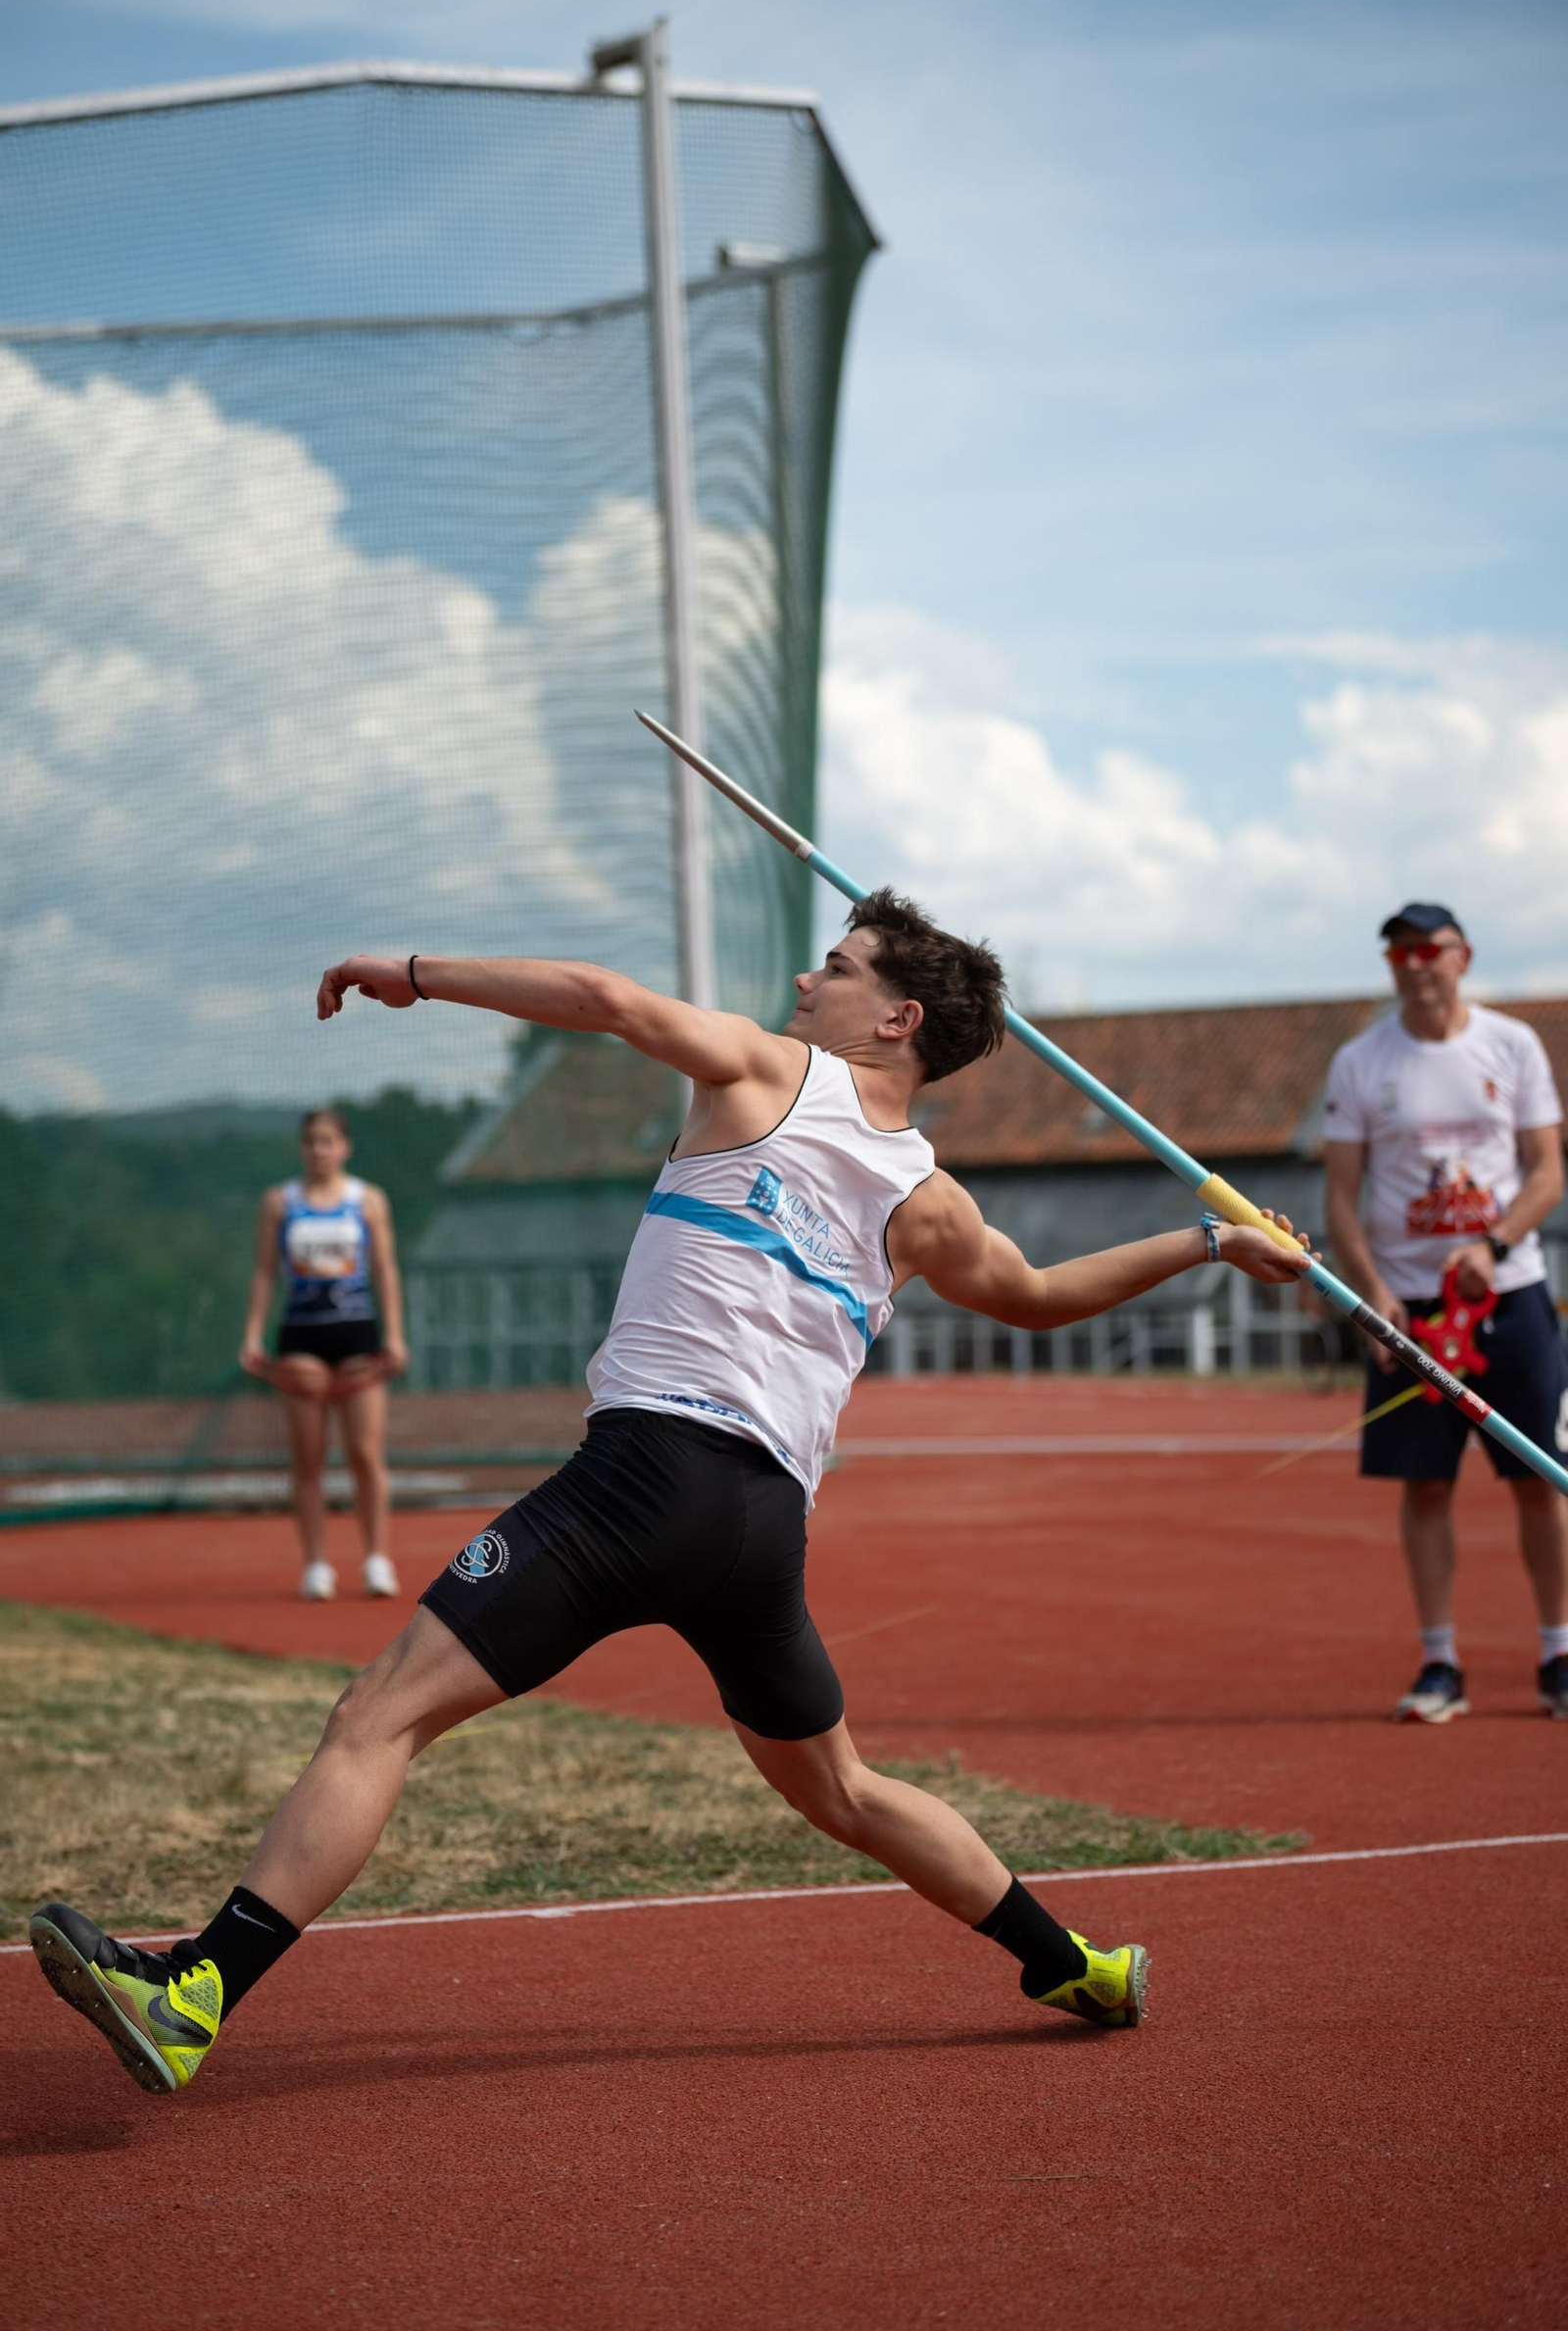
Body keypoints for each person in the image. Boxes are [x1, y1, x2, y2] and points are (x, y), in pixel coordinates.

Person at [30, 897, 1310, 2095]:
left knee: (375, 1719)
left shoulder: (763, 1072)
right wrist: (1209, 1239)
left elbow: (603, 994)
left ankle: (196, 1992)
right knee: (847, 1793)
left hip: (644, 1479)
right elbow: (1035, 1294)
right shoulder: (933, 1202)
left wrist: (414, 974)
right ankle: (1070, 1961)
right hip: (761, 1532)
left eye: (841, 965)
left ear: (896, 1018)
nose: (810, 977)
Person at [1321, 903, 1568, 1724]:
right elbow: (1341, 1200)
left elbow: (1545, 1174)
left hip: (1509, 1292)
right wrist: (1371, 1298)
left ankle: (1557, 1652)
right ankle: (1439, 1662)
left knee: (1539, 1479)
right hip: (1408, 1308)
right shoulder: (1361, 1062)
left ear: (1462, 956)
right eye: (1399, 951)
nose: (1415, 964)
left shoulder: (1512, 1045)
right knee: (1426, 1485)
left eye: (1430, 949)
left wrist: (1493, 1247)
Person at [238, 1106, 409, 1602]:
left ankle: (377, 1559)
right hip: (301, 1338)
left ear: (344, 1147)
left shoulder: (367, 1199)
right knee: (308, 1458)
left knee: (365, 1453)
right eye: (312, 1141)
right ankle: (315, 1565)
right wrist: (252, 1335)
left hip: (357, 1336)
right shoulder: (279, 1202)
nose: (320, 1150)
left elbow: (385, 1271)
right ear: (302, 1147)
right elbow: (265, 1272)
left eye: (329, 1141)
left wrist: (395, 1336)